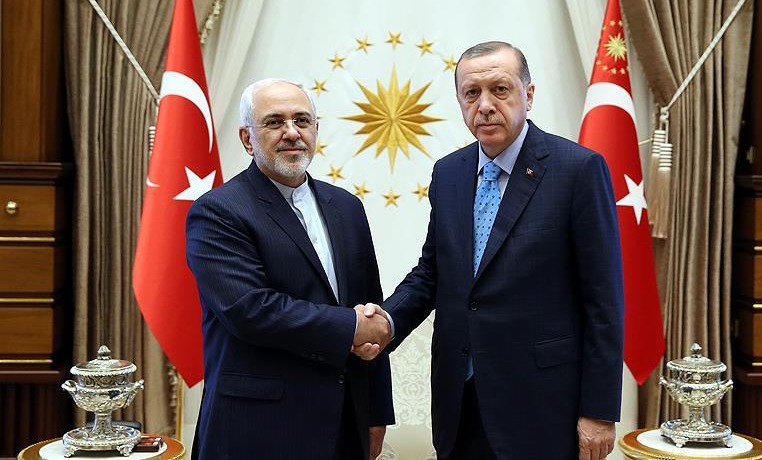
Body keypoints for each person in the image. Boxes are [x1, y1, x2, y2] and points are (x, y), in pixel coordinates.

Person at [355, 41, 624, 459]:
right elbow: (432, 273)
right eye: (471, 93)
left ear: (528, 95)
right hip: (459, 402)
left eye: (499, 89)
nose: (484, 105)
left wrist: (599, 412)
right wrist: (385, 321)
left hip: (542, 407)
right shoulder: (449, 173)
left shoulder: (578, 170)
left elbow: (604, 300)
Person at [186, 79, 394, 460]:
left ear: (316, 130)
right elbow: (251, 310)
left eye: (302, 120)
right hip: (257, 431)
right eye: (274, 122)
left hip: (345, 426)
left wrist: (376, 413)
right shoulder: (217, 211)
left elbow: (370, 306)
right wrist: (350, 326)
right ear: (247, 139)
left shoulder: (347, 207)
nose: (292, 132)